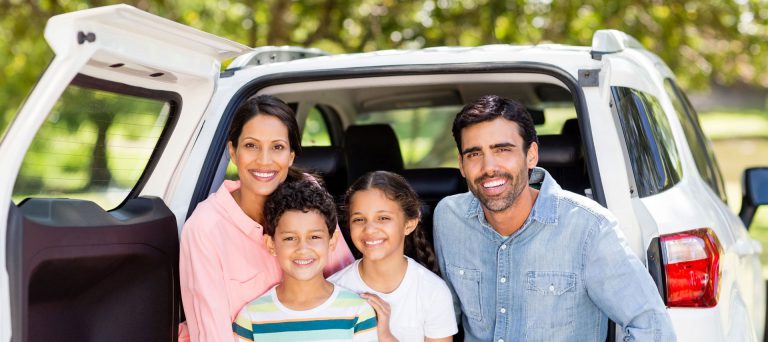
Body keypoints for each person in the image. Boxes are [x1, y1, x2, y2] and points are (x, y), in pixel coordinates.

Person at [433, 95, 675, 341]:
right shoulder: (449, 218)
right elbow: (440, 320)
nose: (489, 167)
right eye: (474, 154)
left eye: (502, 149)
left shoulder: (589, 227)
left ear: (531, 155)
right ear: (461, 165)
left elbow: (653, 329)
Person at [179, 95, 354, 342]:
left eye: (277, 147)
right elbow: (212, 335)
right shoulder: (205, 227)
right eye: (251, 145)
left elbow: (344, 278)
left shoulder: (309, 195)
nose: (264, 160)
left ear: (291, 156)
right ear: (232, 150)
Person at [233, 179, 378, 341]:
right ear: (271, 244)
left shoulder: (357, 313)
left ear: (332, 241)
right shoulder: (251, 319)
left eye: (314, 237)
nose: (303, 249)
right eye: (289, 238)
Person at [330, 171, 458, 342]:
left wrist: (386, 337)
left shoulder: (433, 292)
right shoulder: (333, 290)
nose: (369, 230)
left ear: (409, 224)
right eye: (359, 219)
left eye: (383, 218)